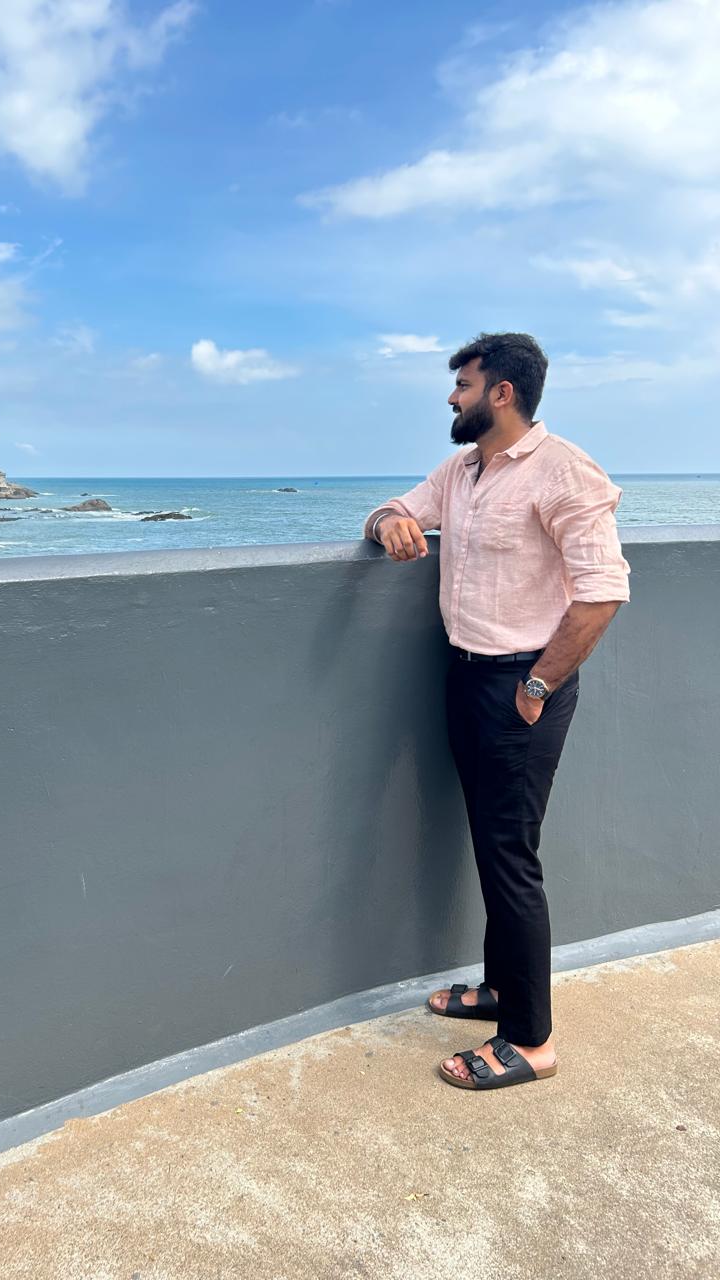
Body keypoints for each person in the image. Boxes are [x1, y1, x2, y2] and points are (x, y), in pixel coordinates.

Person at [363, 332, 630, 1091]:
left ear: (502, 393)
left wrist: (536, 687)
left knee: (511, 857)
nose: (452, 398)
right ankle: (500, 988)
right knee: (491, 845)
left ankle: (531, 1040)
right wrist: (390, 523)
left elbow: (602, 592)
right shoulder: (463, 468)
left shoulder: (565, 471)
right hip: (466, 676)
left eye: (464, 385)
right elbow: (394, 508)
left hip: (523, 686)